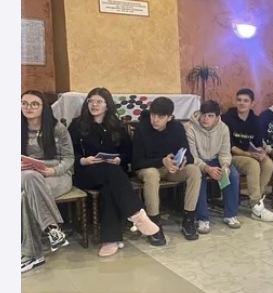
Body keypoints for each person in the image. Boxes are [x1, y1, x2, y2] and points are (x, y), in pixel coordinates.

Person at [69, 87, 161, 257]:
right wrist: (83, 160)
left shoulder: (117, 126)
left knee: (109, 187)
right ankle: (136, 213)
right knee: (112, 174)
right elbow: (68, 153)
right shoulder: (77, 125)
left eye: (99, 101)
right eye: (91, 101)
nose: (94, 105)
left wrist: (119, 159)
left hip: (112, 175)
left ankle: (111, 239)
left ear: (107, 105)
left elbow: (127, 153)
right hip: (86, 172)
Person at [132, 97, 202, 245]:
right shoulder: (142, 129)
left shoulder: (177, 128)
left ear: (169, 117)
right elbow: (136, 163)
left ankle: (189, 219)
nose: (155, 120)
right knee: (152, 174)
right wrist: (161, 161)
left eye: (160, 117)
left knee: (194, 171)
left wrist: (183, 160)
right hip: (148, 169)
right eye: (153, 115)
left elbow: (188, 154)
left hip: (171, 169)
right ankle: (153, 223)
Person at [21, 90, 74, 273]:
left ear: (43, 107)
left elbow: (69, 158)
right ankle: (52, 228)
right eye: (24, 103)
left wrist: (53, 170)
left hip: (57, 175)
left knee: (25, 196)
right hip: (25, 176)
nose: (28, 107)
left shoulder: (57, 128)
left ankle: (31, 255)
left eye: (34, 104)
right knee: (30, 176)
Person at [221, 88, 273, 222]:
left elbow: (258, 143)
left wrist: (261, 152)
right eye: (239, 100)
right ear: (235, 101)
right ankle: (256, 206)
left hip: (249, 153)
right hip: (231, 156)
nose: (242, 103)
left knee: (268, 164)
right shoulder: (227, 118)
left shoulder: (256, 120)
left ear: (252, 103)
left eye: (246, 101)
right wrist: (249, 154)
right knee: (253, 164)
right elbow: (230, 147)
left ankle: (257, 201)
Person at [186, 100, 243, 232]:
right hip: (198, 162)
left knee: (232, 175)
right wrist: (207, 169)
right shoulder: (190, 128)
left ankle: (230, 215)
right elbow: (192, 156)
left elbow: (225, 152)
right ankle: (202, 219)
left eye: (210, 116)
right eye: (203, 114)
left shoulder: (223, 128)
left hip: (216, 159)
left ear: (217, 117)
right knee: (198, 177)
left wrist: (225, 165)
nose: (205, 118)